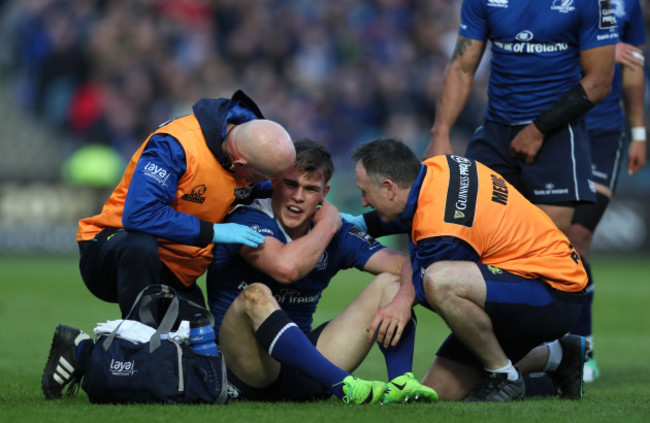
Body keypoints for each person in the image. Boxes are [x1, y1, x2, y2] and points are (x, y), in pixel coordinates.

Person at [42, 90, 296, 400]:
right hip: (111, 250)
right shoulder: (175, 144)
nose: (266, 184)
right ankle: (134, 369)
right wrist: (215, 232)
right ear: (240, 160)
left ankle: (80, 350)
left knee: (199, 359)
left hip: (175, 269)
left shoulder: (257, 144)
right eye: (263, 177)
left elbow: (283, 190)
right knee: (140, 245)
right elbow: (139, 214)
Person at [350, 138, 588, 402]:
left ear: (388, 188)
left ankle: (504, 375)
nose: (363, 202)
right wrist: (352, 223)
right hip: (525, 280)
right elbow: (408, 213)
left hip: (552, 292)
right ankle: (561, 356)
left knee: (439, 282)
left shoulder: (443, 229)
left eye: (365, 192)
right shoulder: (438, 167)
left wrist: (401, 301)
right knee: (440, 392)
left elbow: (425, 281)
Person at [206, 139, 438, 405]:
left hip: (305, 369)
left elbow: (406, 266)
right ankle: (344, 386)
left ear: (323, 193)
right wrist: (327, 225)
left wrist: (402, 301)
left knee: (393, 284)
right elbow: (286, 268)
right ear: (274, 182)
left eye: (310, 189)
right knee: (255, 295)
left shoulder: (340, 233)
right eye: (291, 184)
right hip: (248, 369)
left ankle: (402, 384)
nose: (298, 197)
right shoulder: (248, 218)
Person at [423, 0, 619, 236]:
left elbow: (599, 82)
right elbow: (462, 67)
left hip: (557, 132)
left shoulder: (592, 3)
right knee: (470, 231)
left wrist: (537, 130)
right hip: (495, 130)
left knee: (549, 238)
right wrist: (440, 134)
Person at [567, 0, 647, 383]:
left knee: (578, 236)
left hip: (603, 131)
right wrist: (597, 49)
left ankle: (584, 347)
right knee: (548, 238)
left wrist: (639, 130)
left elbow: (633, 68)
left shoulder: (626, 4)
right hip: (559, 124)